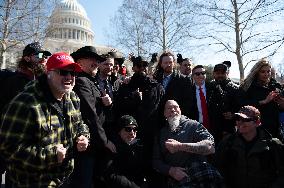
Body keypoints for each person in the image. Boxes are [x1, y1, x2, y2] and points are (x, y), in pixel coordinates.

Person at [0, 52, 90, 187]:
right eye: (63, 72)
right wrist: (50, 155)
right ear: (49, 73)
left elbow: (80, 123)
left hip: (64, 179)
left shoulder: (72, 97)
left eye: (73, 74)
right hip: (33, 183)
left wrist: (83, 135)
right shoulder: (25, 102)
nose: (69, 77)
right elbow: (9, 149)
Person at [113, 55, 164, 187]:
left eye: (144, 66)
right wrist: (134, 99)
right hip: (130, 136)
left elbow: (160, 110)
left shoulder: (156, 86)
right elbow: (120, 109)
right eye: (139, 66)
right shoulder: (126, 86)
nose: (142, 68)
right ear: (134, 67)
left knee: (150, 169)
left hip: (150, 136)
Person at [70, 46, 116, 188]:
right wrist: (105, 141)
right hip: (87, 144)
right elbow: (90, 115)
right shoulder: (82, 81)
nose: (96, 62)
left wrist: (107, 104)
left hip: (94, 142)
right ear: (79, 62)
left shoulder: (90, 80)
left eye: (97, 60)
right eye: (91, 59)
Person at [153, 100, 223, 188]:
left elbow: (210, 147)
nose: (173, 110)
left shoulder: (193, 125)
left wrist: (180, 146)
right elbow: (156, 161)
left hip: (201, 172)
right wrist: (171, 171)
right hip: (177, 178)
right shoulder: (160, 134)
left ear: (180, 110)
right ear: (164, 113)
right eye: (169, 108)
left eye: (176, 107)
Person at [215, 105, 284, 188]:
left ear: (257, 122)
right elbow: (218, 170)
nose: (240, 122)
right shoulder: (227, 143)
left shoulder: (273, 144)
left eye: (245, 119)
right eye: (238, 119)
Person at [240, 58, 284, 140]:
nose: (266, 74)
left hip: (275, 129)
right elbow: (242, 105)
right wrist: (263, 101)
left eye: (268, 71)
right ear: (257, 72)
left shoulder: (275, 86)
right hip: (256, 130)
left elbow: (280, 109)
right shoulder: (248, 87)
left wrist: (281, 105)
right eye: (263, 72)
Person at [103, 115, 147, 188]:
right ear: (119, 131)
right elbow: (110, 175)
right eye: (128, 129)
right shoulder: (112, 147)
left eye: (135, 129)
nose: (132, 133)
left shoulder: (139, 146)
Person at [153, 52, 194, 119]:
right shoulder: (155, 79)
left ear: (174, 63)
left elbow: (187, 103)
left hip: (176, 118)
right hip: (158, 119)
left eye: (170, 62)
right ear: (161, 64)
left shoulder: (184, 80)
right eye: (166, 63)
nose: (168, 65)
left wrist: (180, 118)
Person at [209, 63, 240, 143]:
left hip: (228, 128)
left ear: (227, 73)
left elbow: (242, 108)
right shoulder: (208, 87)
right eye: (217, 73)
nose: (220, 75)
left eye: (222, 73)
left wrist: (234, 114)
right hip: (211, 128)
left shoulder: (235, 88)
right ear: (213, 74)